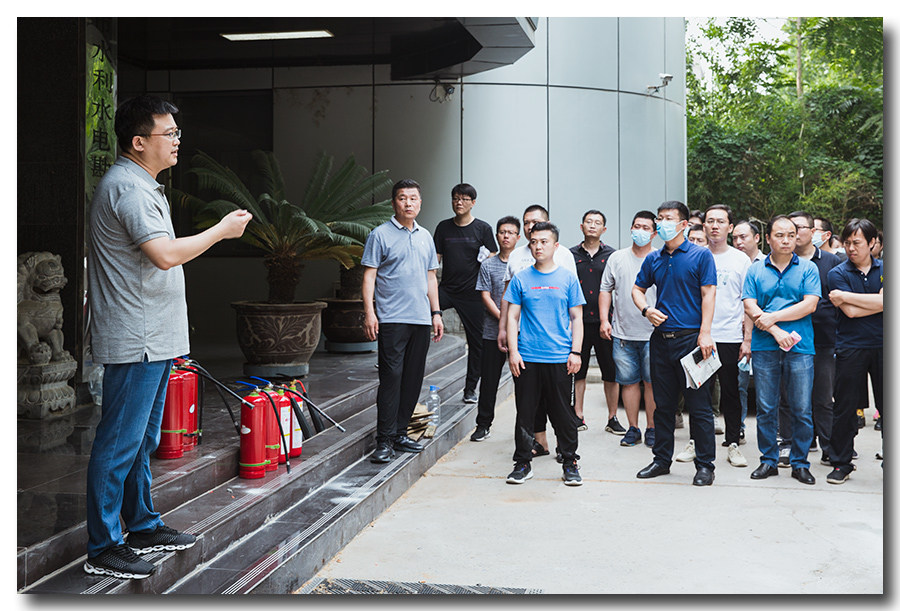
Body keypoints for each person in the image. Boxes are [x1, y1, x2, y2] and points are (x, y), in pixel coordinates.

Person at [85, 94, 252, 579]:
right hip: (136, 337)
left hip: (153, 337)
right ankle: (103, 546)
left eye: (178, 132)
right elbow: (164, 255)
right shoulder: (128, 188)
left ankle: (141, 525)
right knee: (120, 442)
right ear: (139, 142)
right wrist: (220, 231)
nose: (178, 140)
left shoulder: (142, 185)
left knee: (140, 439)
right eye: (169, 133)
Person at [632, 200, 718, 487]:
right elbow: (637, 289)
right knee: (663, 406)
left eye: (668, 218)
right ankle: (661, 460)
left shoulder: (701, 255)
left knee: (699, 407)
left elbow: (708, 294)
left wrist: (705, 333)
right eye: (659, 218)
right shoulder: (653, 259)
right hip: (660, 341)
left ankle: (705, 466)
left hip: (692, 342)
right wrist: (646, 309)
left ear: (683, 224)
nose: (661, 223)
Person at [362, 179, 444, 464]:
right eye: (402, 198)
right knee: (391, 378)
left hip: (421, 318)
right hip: (392, 319)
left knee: (412, 379)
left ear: (420, 203)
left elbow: (431, 277)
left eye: (413, 198)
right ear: (393, 203)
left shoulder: (426, 236)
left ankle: (400, 433)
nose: (408, 203)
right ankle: (384, 441)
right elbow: (369, 276)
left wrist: (436, 312)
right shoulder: (379, 235)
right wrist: (370, 312)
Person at [504, 222, 585, 485]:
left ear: (555, 246)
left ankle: (570, 462)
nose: (538, 246)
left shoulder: (567, 278)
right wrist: (513, 352)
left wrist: (576, 352)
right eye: (534, 242)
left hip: (560, 357)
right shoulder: (521, 278)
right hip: (527, 358)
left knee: (564, 414)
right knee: (525, 413)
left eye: (544, 242)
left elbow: (577, 318)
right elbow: (512, 317)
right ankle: (522, 463)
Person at [742, 215, 820, 485]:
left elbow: (810, 304)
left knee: (802, 408)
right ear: (768, 238)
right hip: (765, 346)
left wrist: (772, 317)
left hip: (800, 347)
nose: (786, 240)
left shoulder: (808, 268)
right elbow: (750, 305)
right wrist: (775, 331)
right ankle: (768, 460)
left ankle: (800, 463)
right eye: (779, 235)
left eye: (791, 235)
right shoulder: (755, 270)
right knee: (766, 407)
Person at [775, 211, 841, 467]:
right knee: (787, 397)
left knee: (822, 398)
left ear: (813, 232)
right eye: (790, 228)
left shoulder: (831, 261)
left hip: (823, 339)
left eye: (800, 228)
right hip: (789, 339)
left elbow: (838, 299)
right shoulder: (783, 261)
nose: (795, 233)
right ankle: (787, 444)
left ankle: (829, 446)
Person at [826, 218, 883, 484]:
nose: (850, 248)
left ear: (872, 243)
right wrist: (878, 301)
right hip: (850, 347)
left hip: (885, 345)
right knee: (845, 407)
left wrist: (846, 296)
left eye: (856, 242)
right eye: (847, 242)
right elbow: (849, 312)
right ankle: (841, 463)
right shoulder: (837, 273)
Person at [433, 184, 498, 404]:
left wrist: (486, 258)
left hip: (472, 293)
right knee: (419, 312)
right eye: (455, 198)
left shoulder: (483, 228)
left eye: (464, 199)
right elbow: (435, 261)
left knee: (477, 343)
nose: (459, 202)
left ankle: (470, 389)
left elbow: (493, 256)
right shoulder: (443, 227)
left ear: (473, 202)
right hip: (447, 289)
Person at [598, 211, 658, 447]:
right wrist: (605, 320)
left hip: (653, 334)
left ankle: (652, 428)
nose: (640, 231)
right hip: (622, 333)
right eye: (636, 226)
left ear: (654, 233)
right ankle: (633, 428)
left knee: (652, 383)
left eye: (645, 227)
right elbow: (605, 289)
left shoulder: (660, 258)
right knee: (628, 382)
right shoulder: (617, 258)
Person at [702, 205, 751, 468]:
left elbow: (748, 301)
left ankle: (733, 442)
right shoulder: (697, 256)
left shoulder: (740, 260)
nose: (715, 226)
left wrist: (747, 339)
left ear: (730, 227)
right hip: (701, 337)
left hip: (730, 336)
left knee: (731, 392)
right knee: (700, 393)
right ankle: (698, 442)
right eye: (710, 221)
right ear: (704, 226)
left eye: (720, 221)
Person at [470, 216, 520, 442]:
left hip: (522, 334)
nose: (506, 236)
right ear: (497, 236)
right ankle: (483, 425)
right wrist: (505, 320)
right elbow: (485, 296)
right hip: (492, 332)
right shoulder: (488, 265)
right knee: (489, 381)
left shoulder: (523, 264)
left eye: (511, 232)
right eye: (502, 232)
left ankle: (525, 428)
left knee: (524, 383)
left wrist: (512, 324)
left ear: (518, 237)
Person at [570, 210, 618, 433]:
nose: (592, 225)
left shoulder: (612, 255)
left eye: (597, 222)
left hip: (605, 322)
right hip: (578, 321)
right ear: (581, 226)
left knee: (610, 372)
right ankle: (578, 415)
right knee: (578, 371)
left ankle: (612, 417)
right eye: (588, 222)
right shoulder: (570, 255)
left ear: (603, 229)